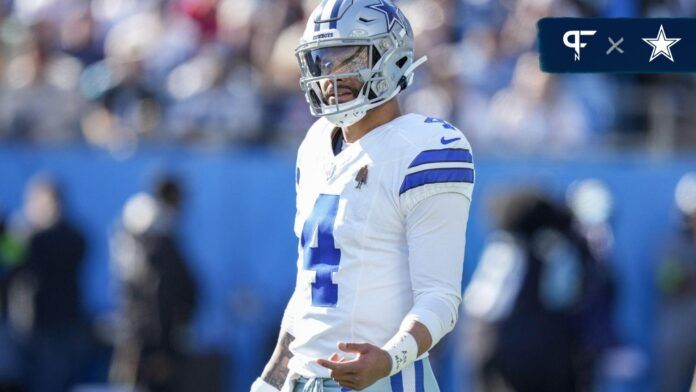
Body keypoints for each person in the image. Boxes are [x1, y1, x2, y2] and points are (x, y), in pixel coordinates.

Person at [253, 1, 475, 391]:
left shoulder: (426, 147)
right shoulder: (316, 142)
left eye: (347, 59)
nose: (329, 77)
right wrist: (271, 380)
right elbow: (310, 290)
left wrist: (391, 356)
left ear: (392, 57)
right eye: (321, 61)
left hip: (386, 383)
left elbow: (440, 298)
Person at [109, 176, 198, 392]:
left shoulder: (131, 238)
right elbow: (161, 292)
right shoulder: (157, 243)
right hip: (152, 338)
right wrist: (164, 340)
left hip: (137, 331)